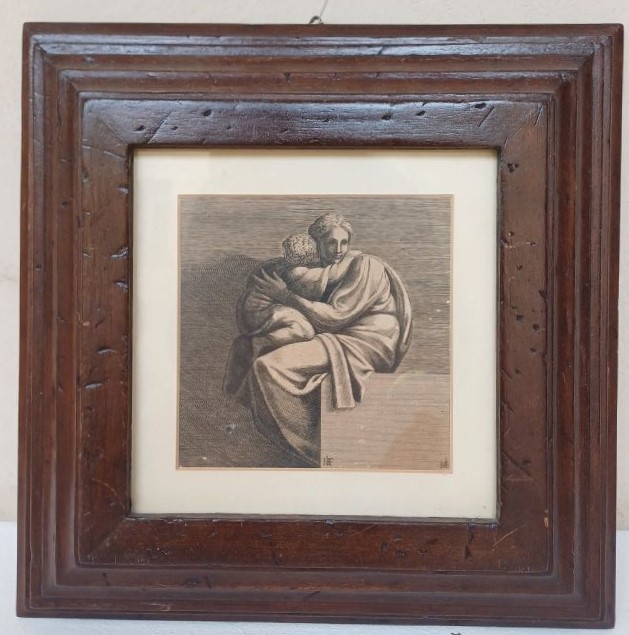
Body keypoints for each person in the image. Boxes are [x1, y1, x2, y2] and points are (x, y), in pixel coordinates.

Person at [224, 213, 412, 467]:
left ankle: (312, 448)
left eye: (344, 242)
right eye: (331, 243)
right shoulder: (320, 274)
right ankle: (299, 441)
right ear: (316, 244)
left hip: (367, 341)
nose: (339, 250)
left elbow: (335, 316)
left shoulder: (367, 265)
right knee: (261, 360)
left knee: (268, 366)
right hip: (339, 336)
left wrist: (284, 295)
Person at [238, 232, 359, 357]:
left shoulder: (279, 264)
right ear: (310, 255)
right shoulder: (296, 272)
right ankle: (261, 342)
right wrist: (350, 256)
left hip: (249, 312)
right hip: (260, 313)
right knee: (305, 330)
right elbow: (334, 274)